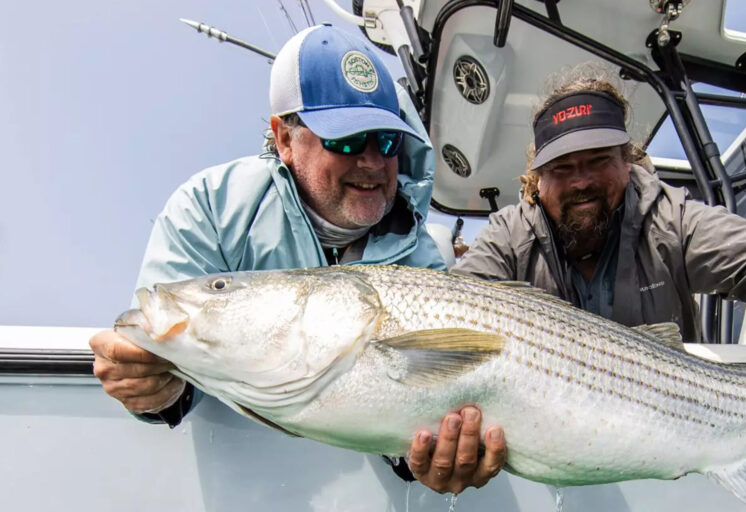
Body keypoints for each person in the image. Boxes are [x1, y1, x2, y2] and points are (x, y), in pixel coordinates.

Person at [88, 25, 505, 494]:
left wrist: (423, 458)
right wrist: (156, 389)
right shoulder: (212, 205)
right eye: (345, 140)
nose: (371, 161)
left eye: (387, 141)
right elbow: (164, 358)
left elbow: (413, 418)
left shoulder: (422, 257)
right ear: (284, 138)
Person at [452, 68, 746, 422]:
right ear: (536, 178)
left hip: (679, 429)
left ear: (628, 162)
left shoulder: (671, 220)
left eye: (599, 160)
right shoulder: (507, 238)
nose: (582, 181)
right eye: (563, 168)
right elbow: (442, 317)